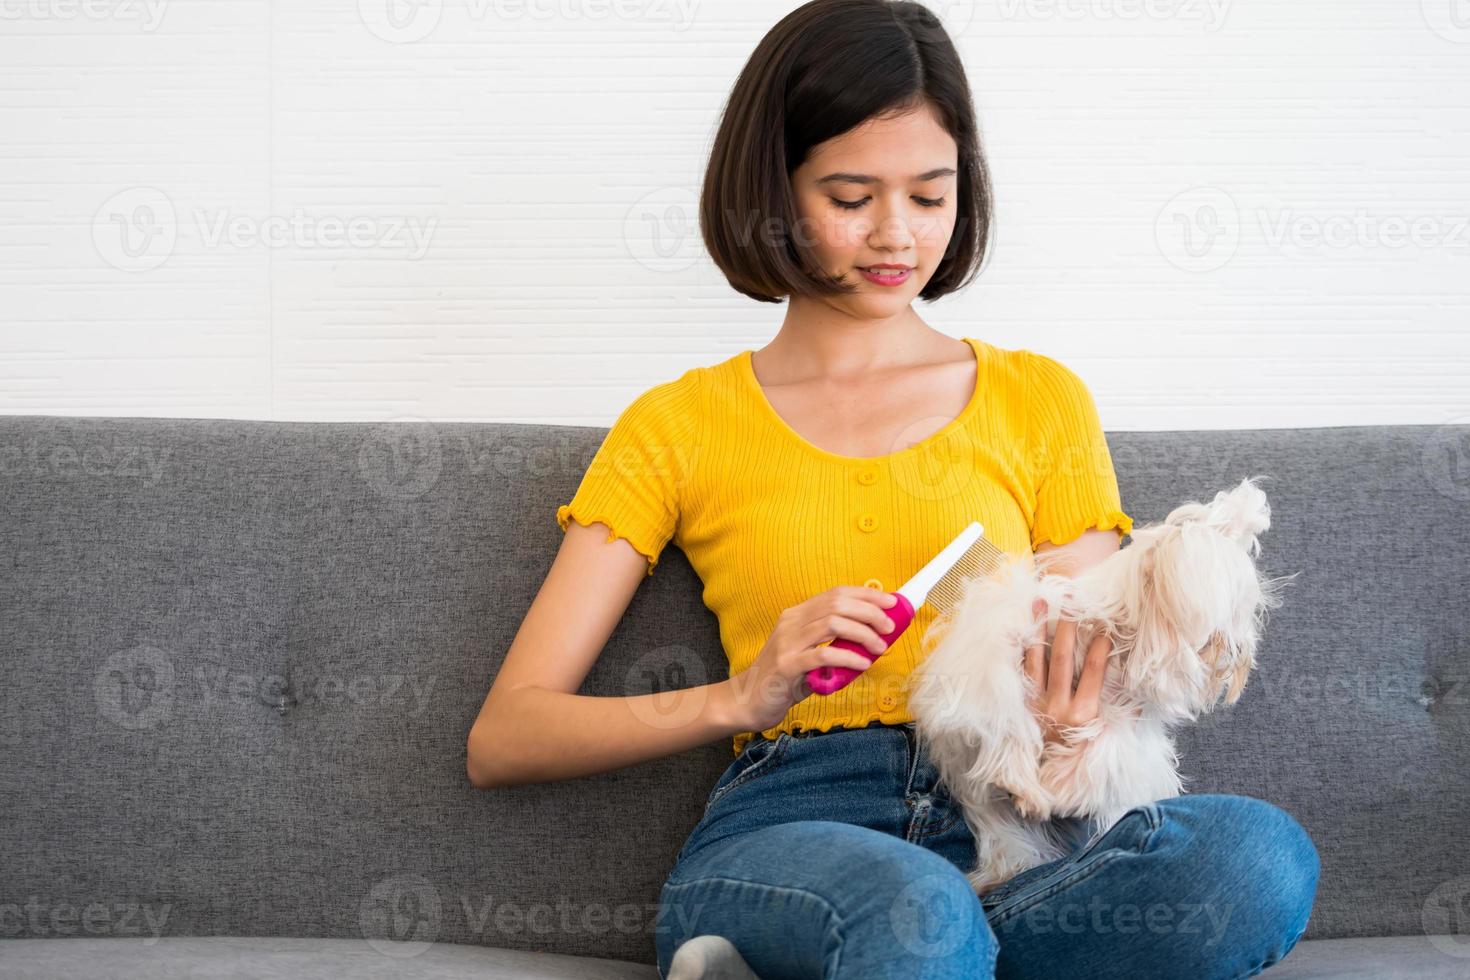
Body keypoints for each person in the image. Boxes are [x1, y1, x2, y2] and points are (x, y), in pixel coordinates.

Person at [466, 2, 1320, 977]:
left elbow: (1088, 662)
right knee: (918, 909)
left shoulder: (1039, 399)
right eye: (850, 195)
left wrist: (1078, 718)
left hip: (1007, 835)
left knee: (1254, 856)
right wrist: (745, 693)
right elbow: (507, 734)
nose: (895, 235)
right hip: (796, 821)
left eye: (929, 195)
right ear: (773, 190)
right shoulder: (678, 424)